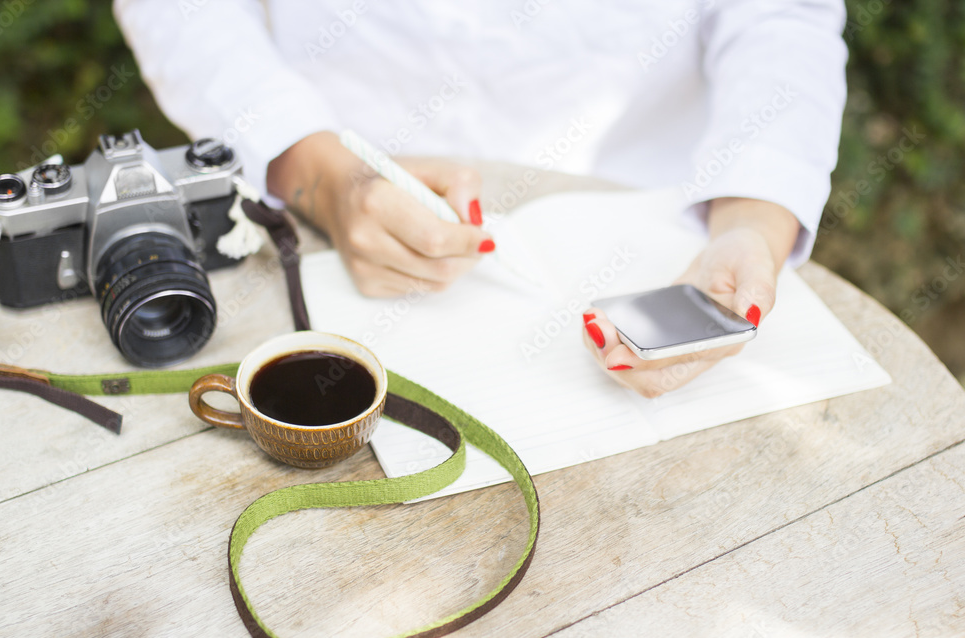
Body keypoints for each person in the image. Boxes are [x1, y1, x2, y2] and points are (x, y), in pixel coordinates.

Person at [115, 0, 848, 397]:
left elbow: (783, 17)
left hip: (648, 212)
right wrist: (312, 164)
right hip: (330, 187)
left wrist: (755, 212)